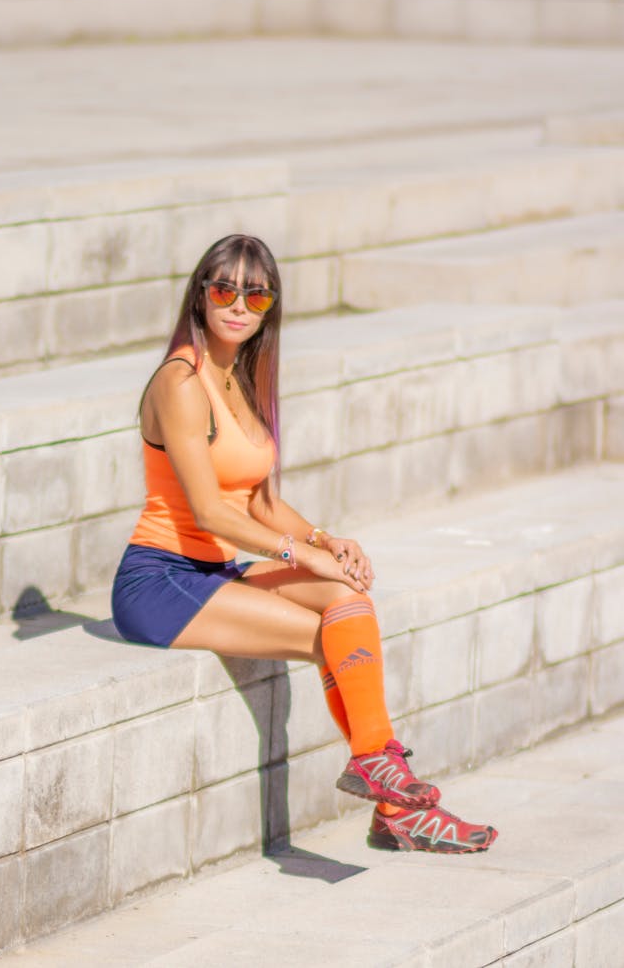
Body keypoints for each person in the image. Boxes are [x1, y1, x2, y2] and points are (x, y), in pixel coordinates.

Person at [112, 234, 497, 855]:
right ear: (200, 297)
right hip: (160, 582)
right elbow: (211, 511)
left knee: (347, 597)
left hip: (214, 573)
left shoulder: (237, 377)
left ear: (270, 307)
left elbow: (261, 503)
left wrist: (324, 539)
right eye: (224, 289)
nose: (239, 305)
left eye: (256, 295)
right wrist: (298, 554)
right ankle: (394, 795)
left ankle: (383, 779)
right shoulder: (181, 382)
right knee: (331, 640)